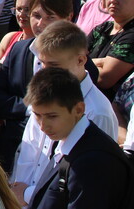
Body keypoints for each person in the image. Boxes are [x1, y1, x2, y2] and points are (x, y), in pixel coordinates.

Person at [0, 0, 77, 172]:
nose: (41, 24)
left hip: (53, 160)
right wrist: (28, 107)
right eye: (36, 16)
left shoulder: (78, 62)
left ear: (68, 18)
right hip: (12, 149)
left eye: (50, 17)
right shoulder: (19, 50)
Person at [21, 67, 129, 209]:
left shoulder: (92, 162)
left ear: (79, 110)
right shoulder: (67, 142)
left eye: (52, 116)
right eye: (38, 115)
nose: (42, 126)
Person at [88, 0, 134, 100]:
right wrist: (102, 62)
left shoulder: (132, 34)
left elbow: (105, 79)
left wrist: (82, 61)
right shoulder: (102, 28)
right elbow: (72, 56)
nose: (113, 0)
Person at [0, 0, 35, 80]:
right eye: (19, 9)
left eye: (27, 9)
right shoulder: (9, 38)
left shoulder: (40, 43)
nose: (21, 14)